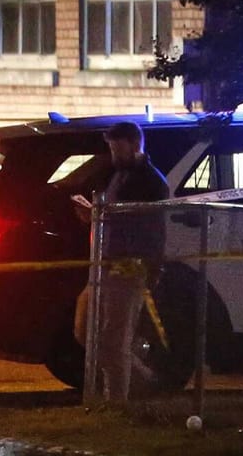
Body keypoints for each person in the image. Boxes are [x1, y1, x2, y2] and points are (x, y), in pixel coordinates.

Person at [72, 121, 171, 397]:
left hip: (128, 267)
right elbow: (114, 216)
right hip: (103, 264)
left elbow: (150, 228)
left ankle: (115, 404)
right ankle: (143, 378)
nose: (113, 154)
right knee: (85, 331)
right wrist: (93, 215)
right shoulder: (118, 175)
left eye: (117, 148)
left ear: (133, 145)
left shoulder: (150, 182)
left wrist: (150, 268)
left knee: (112, 341)